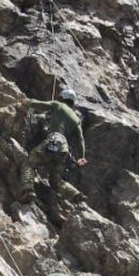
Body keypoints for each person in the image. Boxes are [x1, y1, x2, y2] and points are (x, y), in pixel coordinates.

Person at [19, 89, 87, 219]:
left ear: (62, 98)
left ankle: (27, 189)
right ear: (73, 103)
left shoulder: (58, 105)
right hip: (64, 149)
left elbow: (41, 105)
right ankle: (75, 194)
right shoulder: (76, 119)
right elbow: (80, 139)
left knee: (29, 163)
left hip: (53, 140)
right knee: (55, 180)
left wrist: (27, 102)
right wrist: (82, 156)